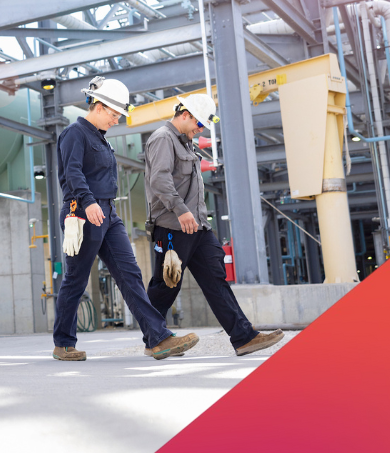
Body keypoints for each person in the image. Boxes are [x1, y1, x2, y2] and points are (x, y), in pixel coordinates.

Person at [52, 77, 199, 361]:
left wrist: (101, 206)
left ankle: (158, 339)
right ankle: (64, 343)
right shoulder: (75, 134)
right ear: (98, 106)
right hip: (84, 213)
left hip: (109, 214)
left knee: (130, 274)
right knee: (76, 279)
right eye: (114, 113)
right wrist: (88, 201)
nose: (116, 120)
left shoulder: (100, 139)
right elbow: (73, 172)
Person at [143, 94, 284, 357]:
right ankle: (154, 338)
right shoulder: (163, 138)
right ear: (184, 114)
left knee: (216, 278)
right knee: (167, 283)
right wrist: (181, 210)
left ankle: (243, 337)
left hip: (197, 227)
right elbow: (159, 180)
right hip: (173, 225)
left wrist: (196, 218)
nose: (201, 129)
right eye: (199, 124)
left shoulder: (187, 144)